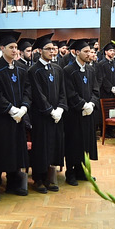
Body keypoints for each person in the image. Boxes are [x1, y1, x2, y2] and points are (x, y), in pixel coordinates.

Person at [0, 30, 30, 200]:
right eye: (11, 47)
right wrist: (11, 110)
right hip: (2, 118)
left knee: (16, 150)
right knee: (0, 151)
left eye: (16, 47)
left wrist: (24, 108)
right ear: (2, 48)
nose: (14, 50)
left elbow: (27, 90)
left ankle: (13, 183)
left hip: (19, 117)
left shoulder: (21, 68)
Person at [27, 35, 67, 191]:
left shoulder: (57, 69)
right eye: (48, 49)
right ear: (40, 50)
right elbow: (38, 94)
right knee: (41, 147)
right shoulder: (33, 70)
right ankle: (38, 179)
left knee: (53, 146)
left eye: (53, 49)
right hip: (41, 116)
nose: (52, 52)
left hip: (56, 116)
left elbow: (62, 91)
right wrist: (50, 111)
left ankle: (50, 178)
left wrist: (60, 109)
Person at [62, 38, 100, 180]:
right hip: (74, 114)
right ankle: (70, 173)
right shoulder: (68, 70)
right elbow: (70, 92)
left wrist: (92, 104)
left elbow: (96, 90)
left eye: (90, 51)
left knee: (86, 143)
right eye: (86, 51)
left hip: (88, 114)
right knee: (74, 143)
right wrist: (83, 105)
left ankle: (82, 171)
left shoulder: (90, 69)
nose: (89, 54)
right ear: (77, 52)